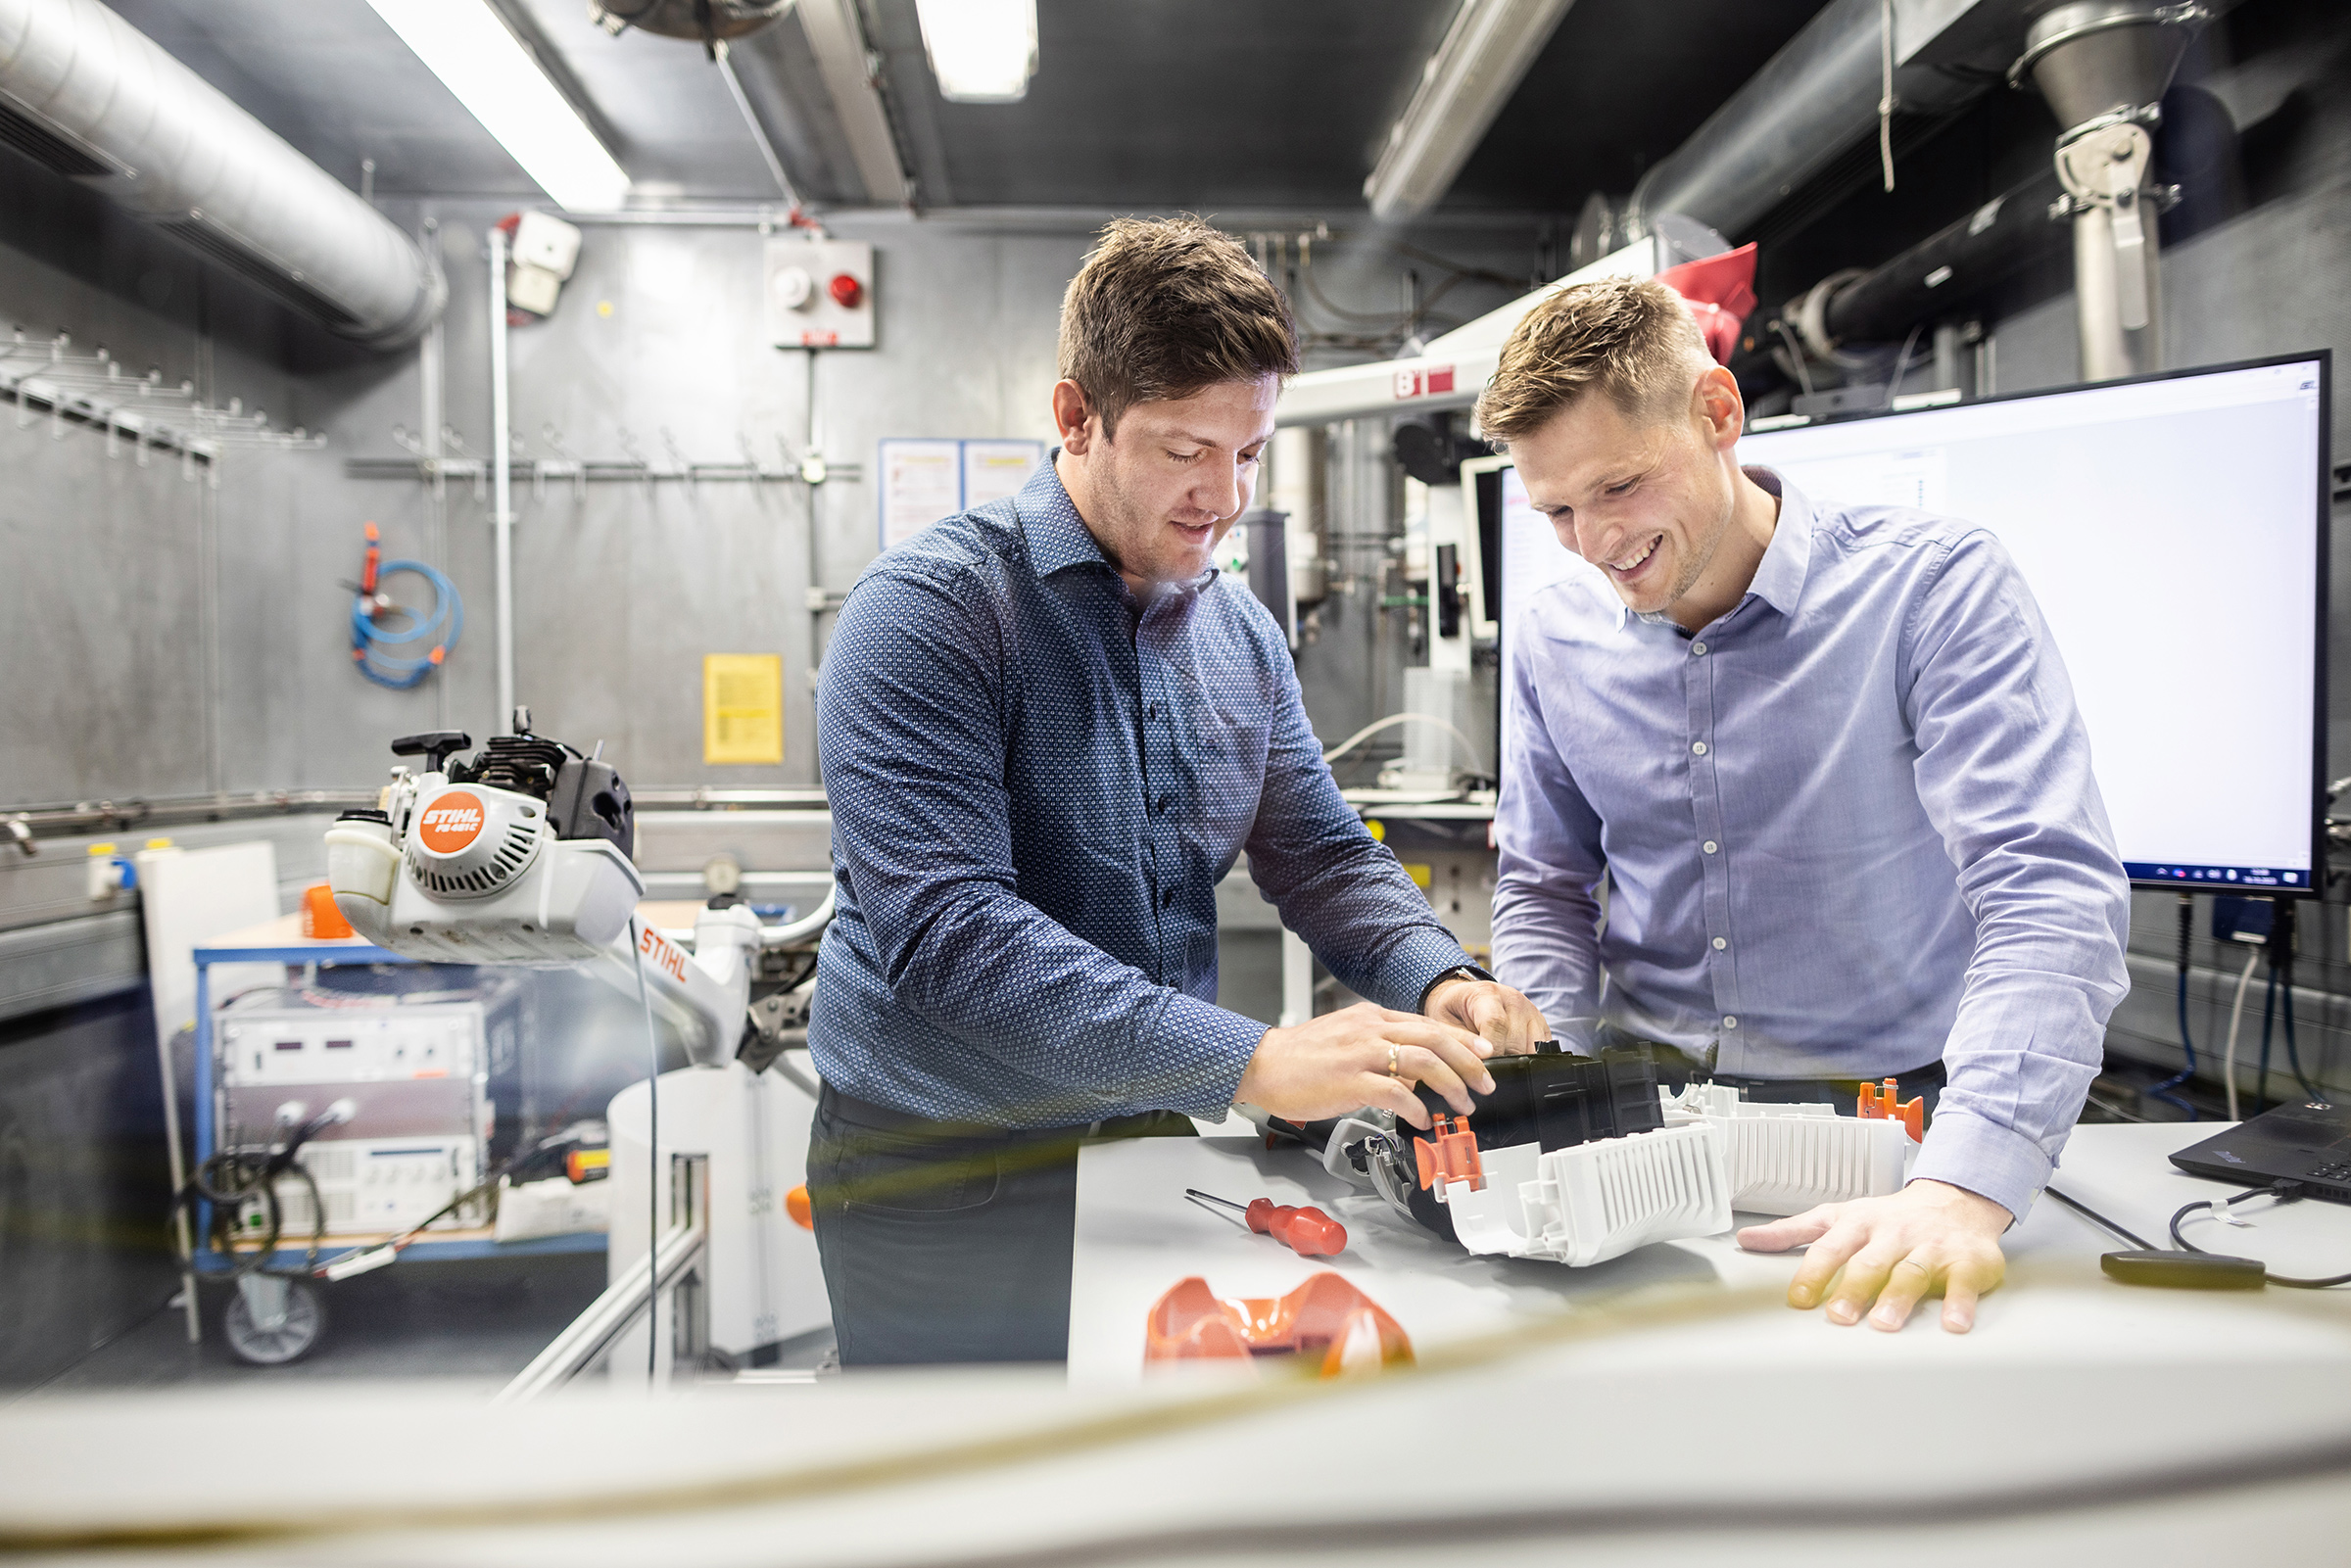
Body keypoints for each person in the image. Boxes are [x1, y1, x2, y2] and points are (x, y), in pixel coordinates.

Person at [807, 216, 1548, 1366]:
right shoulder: (931, 612)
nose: (1224, 493)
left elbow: (1319, 850)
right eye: (1183, 448)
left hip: (1147, 1136)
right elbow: (950, 938)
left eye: (1248, 451)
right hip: (945, 1168)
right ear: (1075, 417)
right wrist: (1252, 1061)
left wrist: (1437, 970)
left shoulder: (1240, 634)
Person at [1480, 276, 2130, 1334]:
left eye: (1619, 486)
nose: (1595, 542)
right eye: (1556, 510)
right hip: (1642, 1126)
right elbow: (1547, 887)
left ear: (1719, 413)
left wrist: (1964, 1185)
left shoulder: (1935, 589)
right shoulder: (1556, 636)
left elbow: (2048, 889)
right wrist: (1544, 1091)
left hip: (1896, 1133)